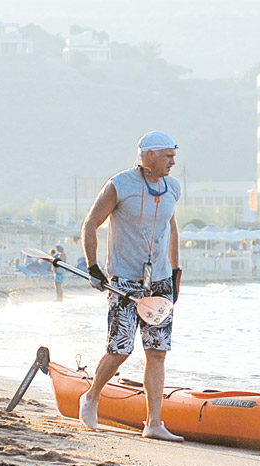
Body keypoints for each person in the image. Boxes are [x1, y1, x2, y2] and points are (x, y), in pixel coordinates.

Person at [78, 130, 183, 442]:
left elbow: (171, 229)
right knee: (120, 348)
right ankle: (92, 396)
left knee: (158, 351)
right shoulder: (120, 184)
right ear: (148, 155)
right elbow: (90, 224)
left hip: (160, 282)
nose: (173, 162)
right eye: (168, 156)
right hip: (125, 280)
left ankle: (153, 422)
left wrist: (175, 273)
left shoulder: (172, 188)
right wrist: (93, 267)